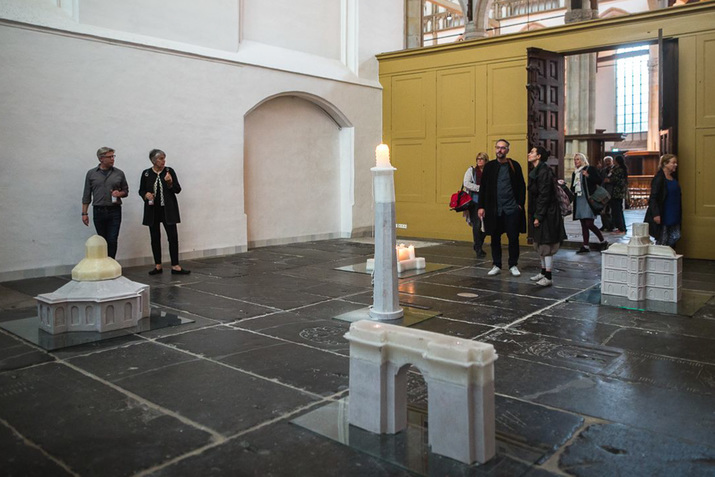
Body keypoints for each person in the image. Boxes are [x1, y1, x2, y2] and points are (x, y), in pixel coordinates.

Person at [477, 139, 526, 277]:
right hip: (494, 209)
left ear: (507, 150)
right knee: (495, 237)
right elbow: (483, 188)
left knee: (513, 237)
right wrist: (481, 206)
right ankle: (496, 264)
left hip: (511, 208)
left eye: (503, 148)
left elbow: (521, 186)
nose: (500, 150)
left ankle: (513, 264)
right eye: (498, 147)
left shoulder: (514, 165)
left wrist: (520, 205)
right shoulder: (490, 166)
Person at [139, 149, 190, 275]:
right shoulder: (146, 174)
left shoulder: (169, 171)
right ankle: (158, 265)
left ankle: (175, 265)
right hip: (153, 210)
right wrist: (146, 195)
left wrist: (170, 182)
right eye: (161, 158)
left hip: (168, 210)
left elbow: (177, 190)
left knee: (172, 237)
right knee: (155, 237)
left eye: (164, 158)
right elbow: (141, 190)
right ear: (153, 160)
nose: (163, 161)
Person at [527, 146, 566, 287]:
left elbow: (544, 196)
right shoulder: (537, 170)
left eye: (532, 152)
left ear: (539, 156)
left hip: (547, 213)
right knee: (539, 243)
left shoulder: (544, 171)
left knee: (546, 244)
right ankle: (543, 272)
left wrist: (539, 216)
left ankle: (548, 276)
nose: (529, 154)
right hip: (541, 211)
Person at [81, 147, 129, 259]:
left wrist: (119, 193)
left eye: (113, 156)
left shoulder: (119, 173)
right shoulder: (91, 174)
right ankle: (103, 263)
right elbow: (86, 194)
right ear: (101, 159)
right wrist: (84, 213)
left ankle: (111, 262)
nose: (113, 159)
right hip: (98, 210)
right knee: (102, 240)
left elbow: (126, 191)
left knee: (112, 239)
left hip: (114, 210)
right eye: (110, 157)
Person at [570, 153, 608, 254]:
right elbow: (573, 187)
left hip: (589, 199)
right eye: (575, 160)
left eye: (578, 159)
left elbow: (599, 180)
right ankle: (585, 246)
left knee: (589, 223)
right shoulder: (575, 173)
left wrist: (588, 176)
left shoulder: (589, 169)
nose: (576, 161)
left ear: (582, 160)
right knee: (583, 224)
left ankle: (603, 241)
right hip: (579, 199)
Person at [645, 154, 681, 247]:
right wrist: (656, 214)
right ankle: (662, 258)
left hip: (674, 212)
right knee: (663, 239)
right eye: (673, 163)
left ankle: (669, 255)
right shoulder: (659, 178)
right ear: (665, 164)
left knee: (675, 236)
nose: (675, 165)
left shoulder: (673, 177)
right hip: (664, 213)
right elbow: (653, 198)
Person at [463, 152, 489, 258]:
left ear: (486, 161)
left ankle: (478, 244)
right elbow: (466, 183)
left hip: (487, 201)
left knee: (487, 225)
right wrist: (479, 188)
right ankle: (478, 247)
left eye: (482, 159)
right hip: (475, 201)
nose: (479, 161)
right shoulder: (472, 170)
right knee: (477, 225)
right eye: (478, 159)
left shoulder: (489, 171)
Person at [609, 155, 628, 234]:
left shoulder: (618, 170)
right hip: (619, 192)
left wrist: (609, 180)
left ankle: (621, 228)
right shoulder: (622, 169)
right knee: (618, 210)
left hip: (616, 192)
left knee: (617, 211)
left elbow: (614, 179)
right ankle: (621, 227)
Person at [599, 156, 614, 232]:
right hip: (604, 192)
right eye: (606, 161)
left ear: (612, 161)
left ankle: (611, 225)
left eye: (609, 161)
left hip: (612, 192)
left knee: (610, 210)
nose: (608, 162)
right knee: (603, 210)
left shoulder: (615, 170)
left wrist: (610, 180)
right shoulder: (603, 170)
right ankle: (604, 225)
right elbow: (600, 179)